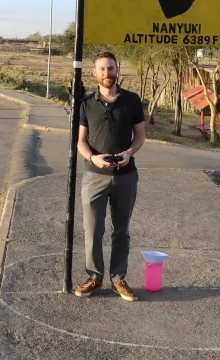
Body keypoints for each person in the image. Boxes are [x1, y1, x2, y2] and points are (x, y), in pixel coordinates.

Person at [75, 51, 145, 302]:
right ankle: (95, 277)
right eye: (102, 69)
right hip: (94, 176)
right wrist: (93, 158)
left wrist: (129, 152)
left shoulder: (132, 100)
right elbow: (80, 142)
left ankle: (118, 279)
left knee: (121, 230)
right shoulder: (85, 103)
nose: (107, 73)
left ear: (118, 70)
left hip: (126, 175)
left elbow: (139, 137)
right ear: (94, 73)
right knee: (93, 230)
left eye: (111, 68)